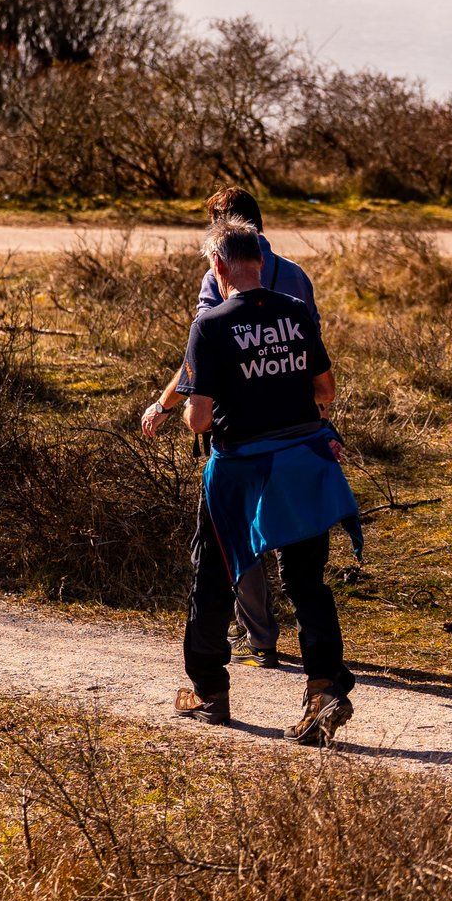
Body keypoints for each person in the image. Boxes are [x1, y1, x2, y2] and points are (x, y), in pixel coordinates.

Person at [141, 219, 361, 746]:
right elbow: (325, 389)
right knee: (307, 581)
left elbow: (196, 420)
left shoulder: (211, 324)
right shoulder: (297, 311)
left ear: (218, 266)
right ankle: (322, 689)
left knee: (214, 575)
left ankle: (209, 690)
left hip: (239, 471)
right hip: (304, 463)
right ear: (260, 262)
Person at [144, 187, 316, 668]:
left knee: (231, 538)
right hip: (296, 425)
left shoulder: (215, 277)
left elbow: (201, 355)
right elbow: (313, 358)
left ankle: (255, 637)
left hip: (238, 432)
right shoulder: (297, 279)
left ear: (221, 236)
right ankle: (315, 655)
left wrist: (164, 404)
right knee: (296, 536)